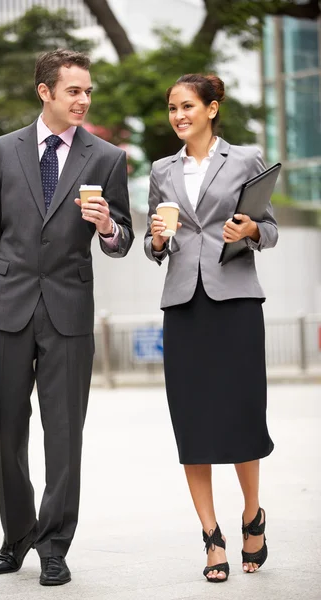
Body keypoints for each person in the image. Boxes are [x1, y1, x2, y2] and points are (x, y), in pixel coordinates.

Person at [0, 48, 134, 586]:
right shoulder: (1, 152)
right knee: (7, 433)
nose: (84, 100)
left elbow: (121, 241)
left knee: (64, 435)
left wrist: (107, 227)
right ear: (46, 92)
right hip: (7, 310)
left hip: (69, 313)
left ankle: (55, 545)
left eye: (88, 91)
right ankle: (16, 537)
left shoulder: (106, 157)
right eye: (74, 90)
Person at [144, 74, 278, 583]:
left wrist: (251, 231)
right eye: (172, 108)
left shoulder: (245, 159)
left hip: (237, 302)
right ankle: (211, 536)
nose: (178, 116)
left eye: (188, 106)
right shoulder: (161, 170)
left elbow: (269, 228)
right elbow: (156, 245)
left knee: (243, 416)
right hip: (183, 305)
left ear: (212, 108)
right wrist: (158, 241)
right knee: (193, 423)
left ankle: (252, 514)